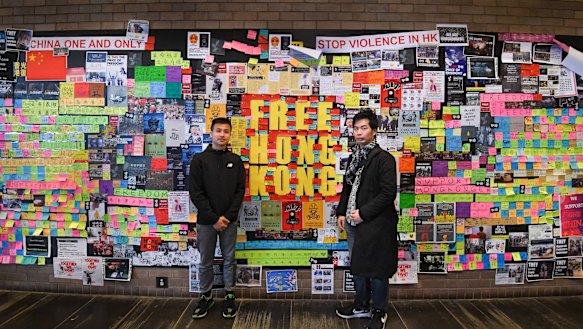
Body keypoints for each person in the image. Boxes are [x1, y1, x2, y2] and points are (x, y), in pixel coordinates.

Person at [335, 110, 398, 329]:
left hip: (376, 223)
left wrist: (363, 213)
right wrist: (342, 212)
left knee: (378, 268)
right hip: (354, 222)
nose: (359, 132)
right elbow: (348, 187)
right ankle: (361, 304)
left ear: (374, 131)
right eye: (356, 128)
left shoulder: (384, 159)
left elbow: (388, 193)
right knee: (358, 265)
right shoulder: (355, 157)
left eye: (364, 128)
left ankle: (379, 310)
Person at [188, 117, 246, 319]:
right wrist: (213, 218)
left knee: (229, 259)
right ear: (211, 133)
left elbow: (240, 192)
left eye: (226, 131)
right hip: (206, 222)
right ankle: (206, 297)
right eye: (218, 130)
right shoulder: (199, 160)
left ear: (230, 135)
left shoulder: (236, 161)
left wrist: (227, 217)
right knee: (205, 260)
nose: (222, 134)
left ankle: (230, 295)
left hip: (229, 222)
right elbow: (195, 193)